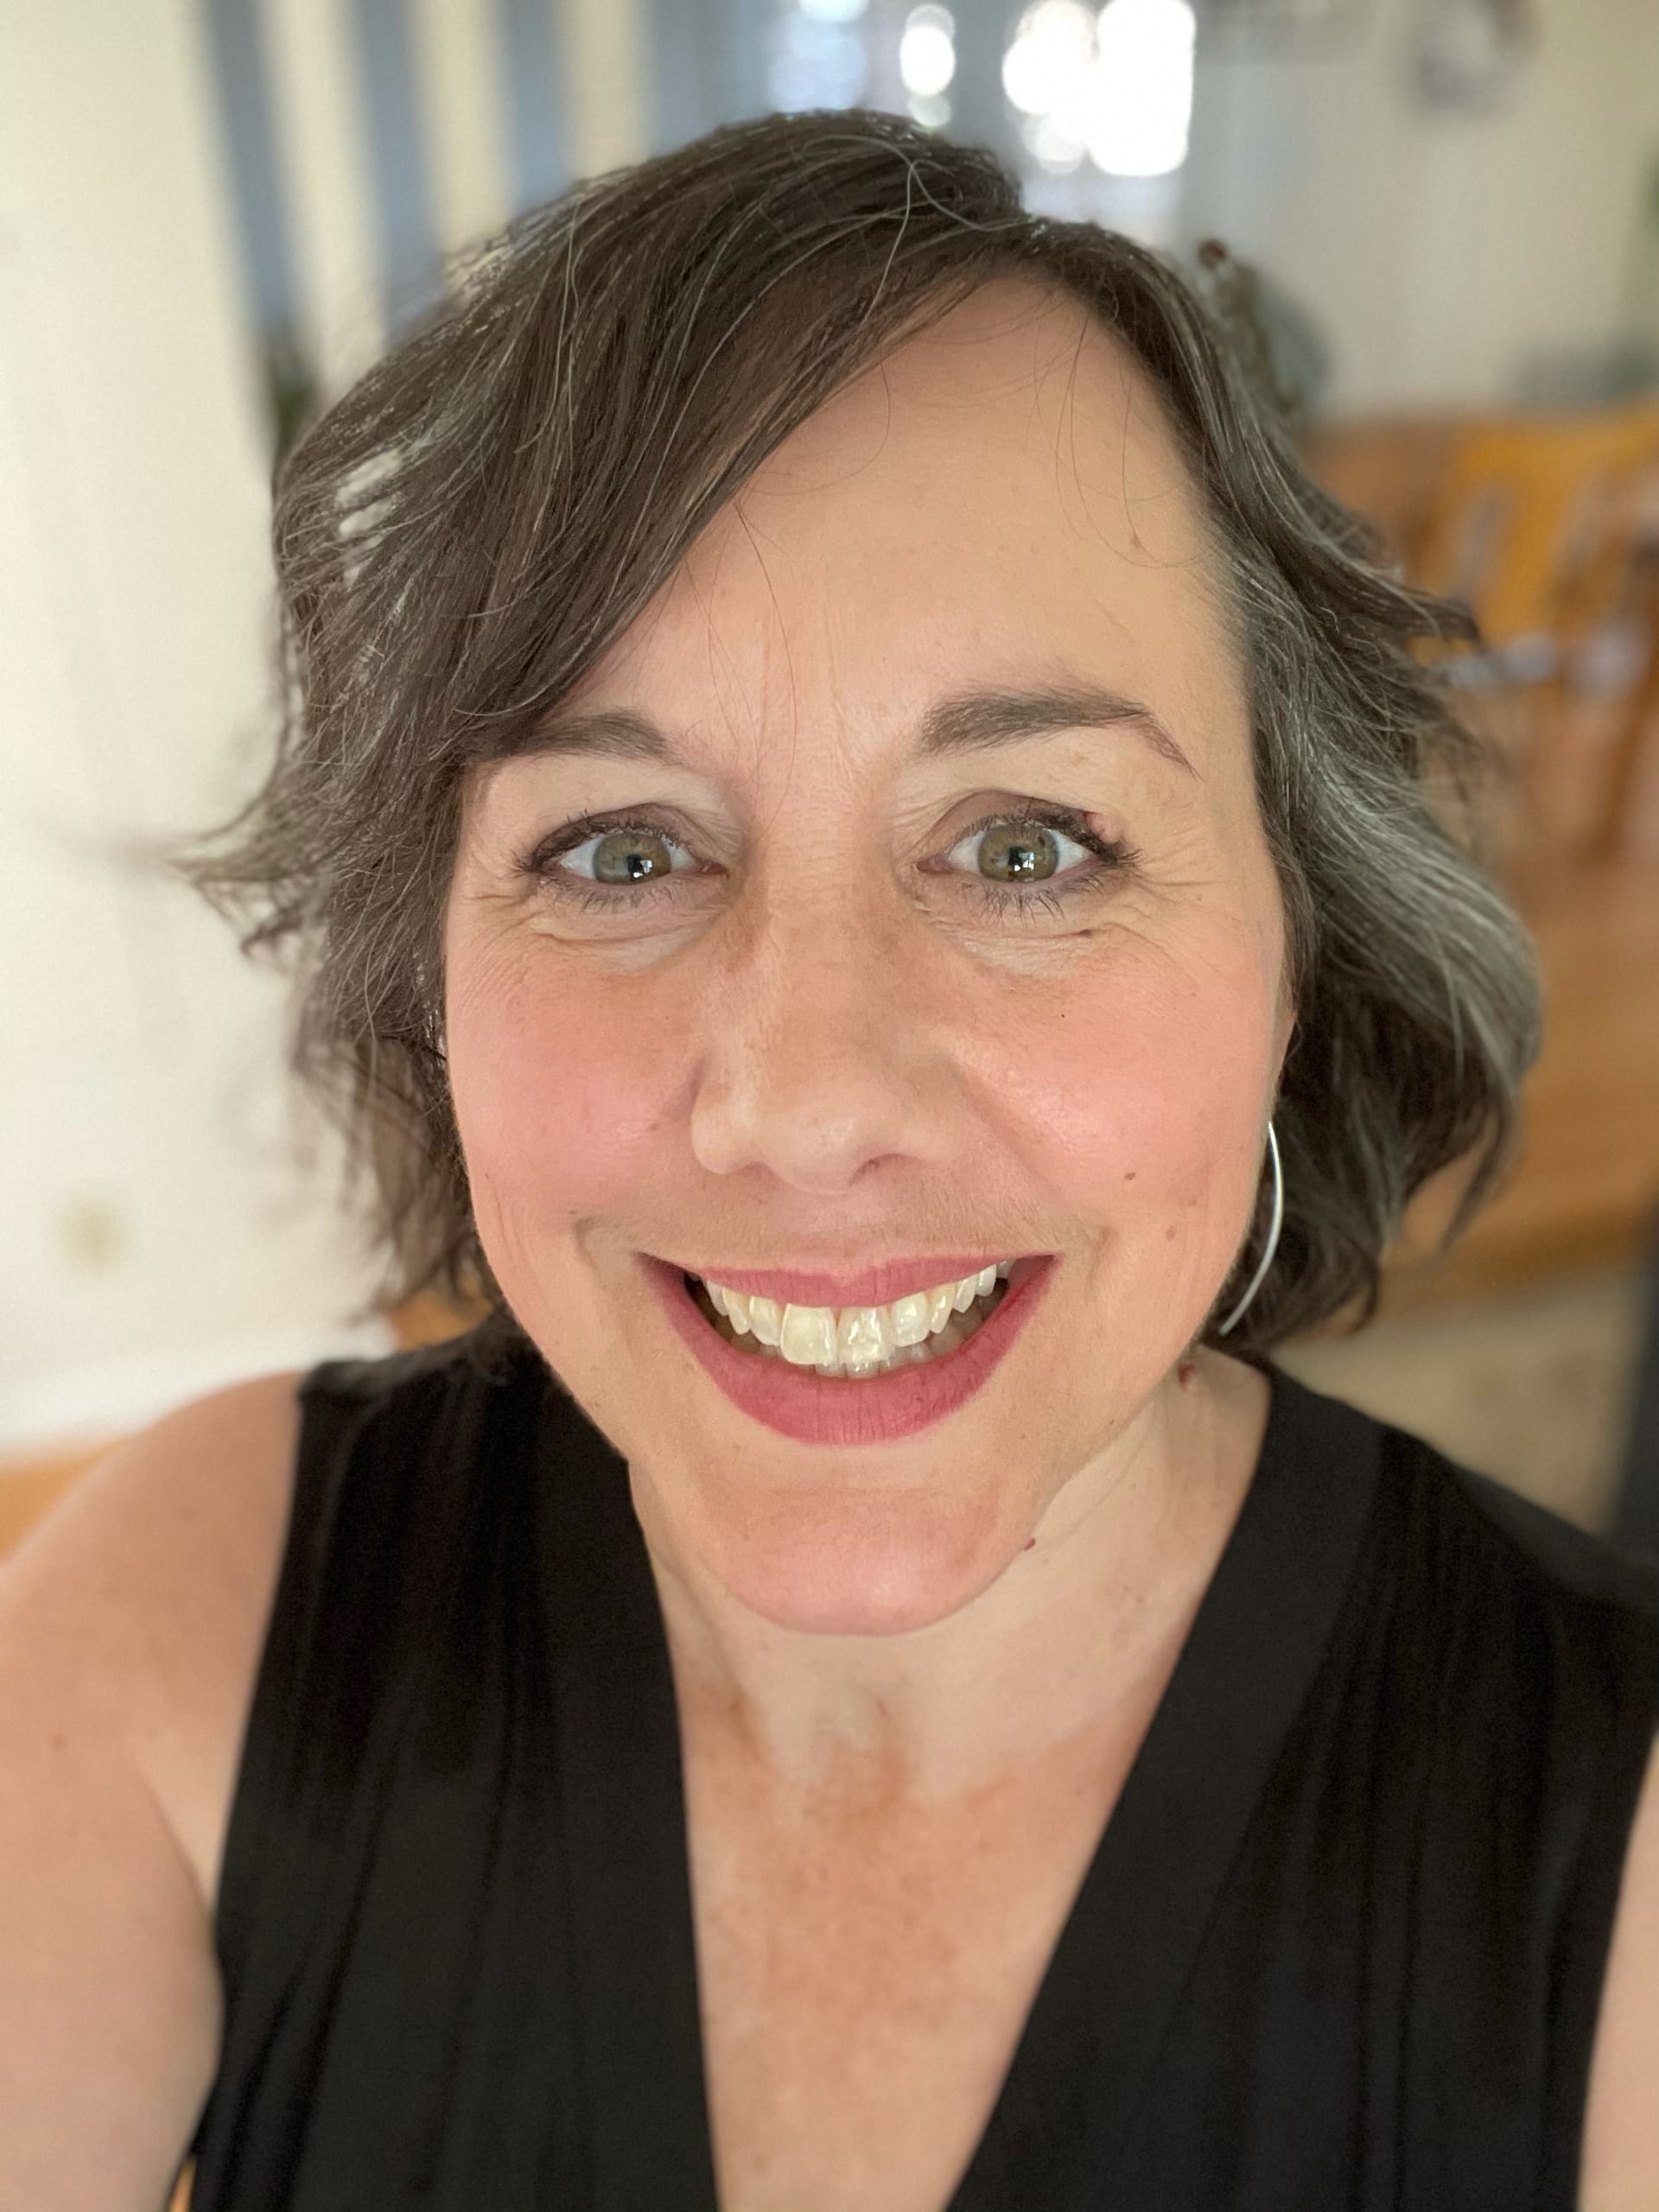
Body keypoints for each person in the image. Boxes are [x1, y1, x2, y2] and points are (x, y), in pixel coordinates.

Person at [2, 105, 1655, 2212]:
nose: (802, 1100)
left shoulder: (1618, 1840)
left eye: (1030, 845)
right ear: (431, 974)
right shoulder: (197, 1617)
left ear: (1295, 954)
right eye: (618, 848)